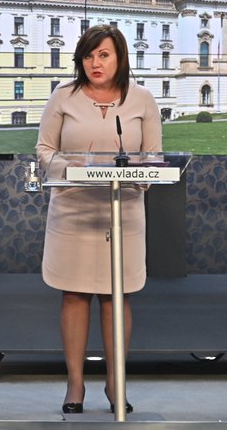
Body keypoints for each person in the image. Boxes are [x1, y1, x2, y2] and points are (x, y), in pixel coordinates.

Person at [35, 24, 162, 414]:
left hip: (121, 210)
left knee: (115, 295)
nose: (95, 63)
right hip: (74, 209)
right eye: (89, 56)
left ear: (120, 58)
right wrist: (67, 166)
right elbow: (44, 149)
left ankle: (114, 382)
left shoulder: (142, 99)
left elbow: (154, 158)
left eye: (103, 55)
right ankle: (75, 385)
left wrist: (140, 173)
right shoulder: (63, 97)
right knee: (74, 294)